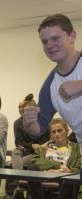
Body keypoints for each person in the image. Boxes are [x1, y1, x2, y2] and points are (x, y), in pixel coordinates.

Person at [23, 14, 82, 159]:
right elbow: (38, 128)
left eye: (55, 38)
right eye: (44, 41)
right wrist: (29, 123)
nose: (49, 45)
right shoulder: (50, 86)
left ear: (72, 36)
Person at [28, 118, 81, 199]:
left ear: (66, 131)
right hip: (44, 180)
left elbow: (77, 169)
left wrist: (63, 171)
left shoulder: (76, 148)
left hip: (63, 181)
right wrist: (58, 165)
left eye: (59, 130)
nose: (56, 134)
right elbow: (34, 161)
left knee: (70, 181)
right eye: (53, 132)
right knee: (32, 169)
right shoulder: (44, 147)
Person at [3, 94, 50, 199]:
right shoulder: (17, 123)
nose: (21, 110)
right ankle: (18, 187)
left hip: (37, 154)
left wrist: (33, 146)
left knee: (13, 164)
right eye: (20, 108)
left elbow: (44, 142)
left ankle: (15, 189)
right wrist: (31, 145)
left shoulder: (43, 122)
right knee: (15, 152)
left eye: (23, 108)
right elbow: (18, 142)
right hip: (24, 150)